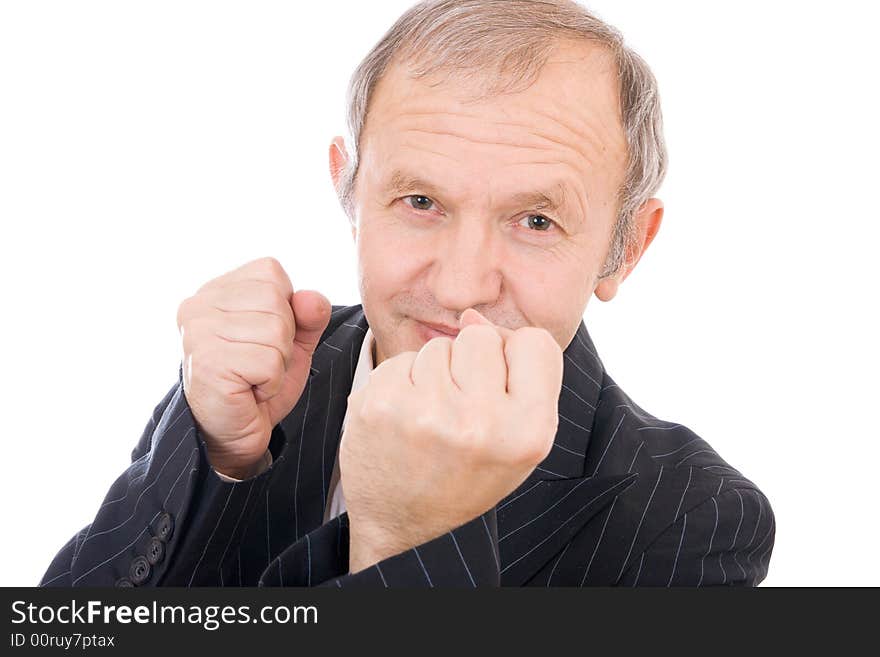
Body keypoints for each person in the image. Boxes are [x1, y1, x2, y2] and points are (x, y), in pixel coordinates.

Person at [40, 0, 774, 588]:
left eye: (536, 220)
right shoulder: (250, 385)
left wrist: (409, 543)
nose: (460, 286)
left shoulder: (695, 520)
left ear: (626, 249)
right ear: (349, 189)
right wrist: (225, 457)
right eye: (421, 200)